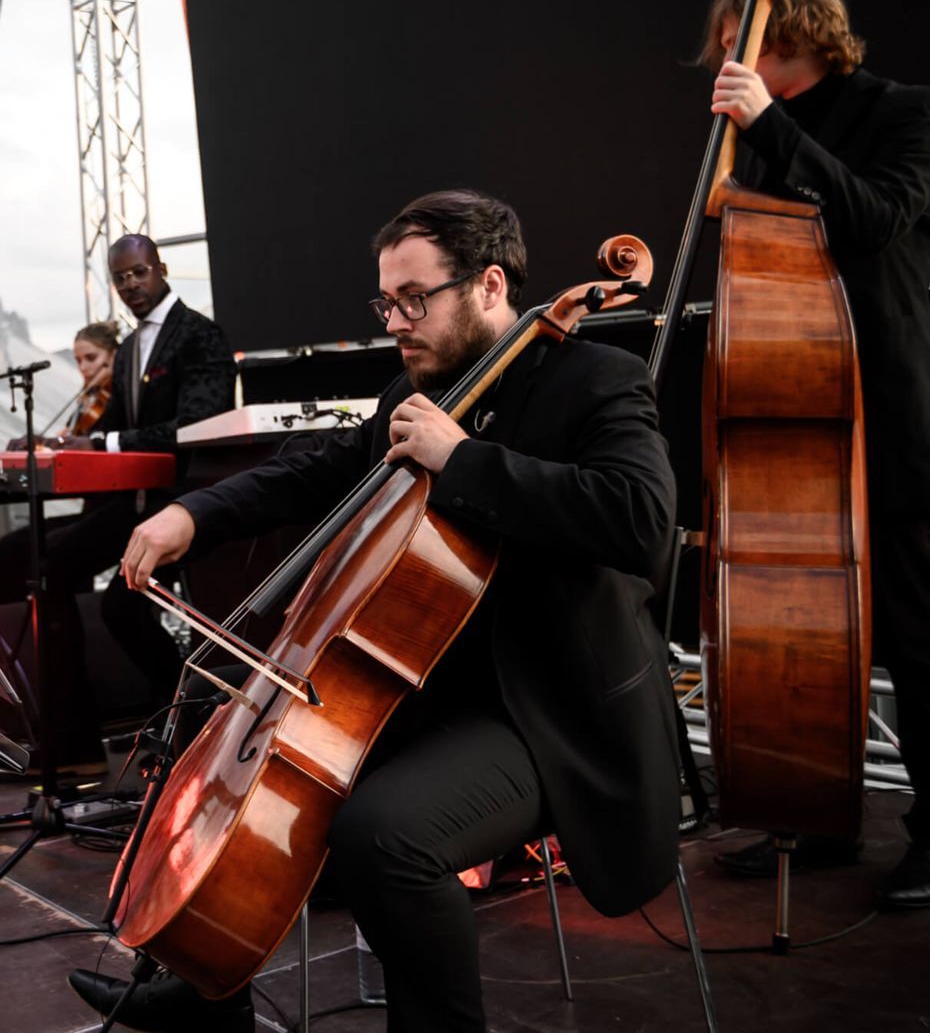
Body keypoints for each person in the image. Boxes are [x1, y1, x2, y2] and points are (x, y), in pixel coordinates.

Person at [69, 191, 682, 1033]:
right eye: (386, 301)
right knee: (219, 710)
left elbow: (642, 521)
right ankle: (206, 981)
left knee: (382, 835)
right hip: (430, 691)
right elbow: (315, 470)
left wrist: (464, 459)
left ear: (490, 284)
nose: (395, 321)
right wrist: (193, 515)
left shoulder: (596, 380)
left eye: (414, 299)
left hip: (552, 714)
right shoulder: (418, 388)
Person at [704, 0, 930, 909]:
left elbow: (873, 221)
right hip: (789, 413)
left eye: (741, 37)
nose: (730, 56)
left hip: (884, 413)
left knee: (918, 633)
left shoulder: (910, 111)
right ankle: (818, 815)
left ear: (792, 30)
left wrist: (769, 129)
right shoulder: (756, 140)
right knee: (800, 637)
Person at [0, 236, 235, 751]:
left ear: (161, 269)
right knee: (40, 562)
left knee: (116, 605)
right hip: (136, 503)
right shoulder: (128, 352)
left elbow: (197, 425)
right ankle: (65, 732)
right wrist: (57, 445)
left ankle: (175, 721)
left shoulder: (199, 334)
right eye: (121, 277)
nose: (131, 285)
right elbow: (111, 429)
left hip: (187, 502)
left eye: (139, 272)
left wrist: (102, 441)